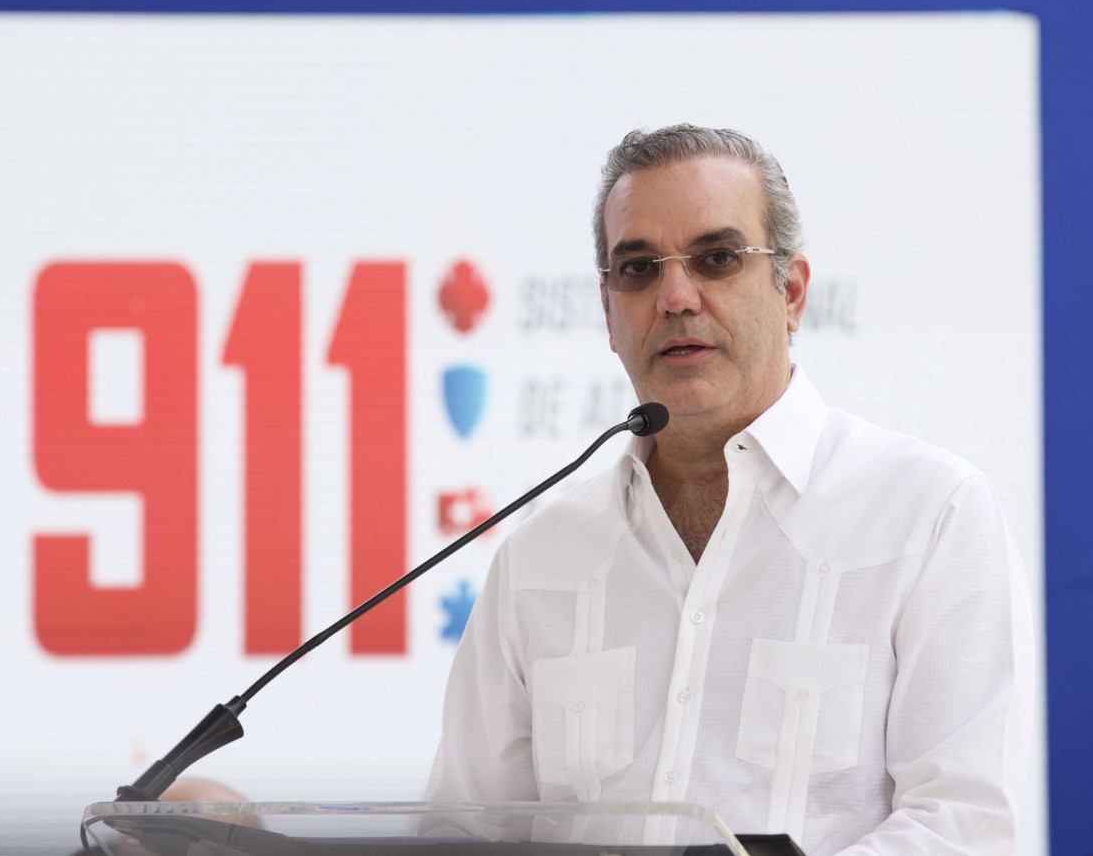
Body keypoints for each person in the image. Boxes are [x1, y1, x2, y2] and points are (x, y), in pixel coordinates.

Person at [425, 124, 1035, 856]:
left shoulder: (931, 514)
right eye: (638, 268)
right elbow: (460, 831)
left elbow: (963, 826)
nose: (675, 296)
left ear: (791, 292)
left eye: (717, 258)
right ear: (609, 315)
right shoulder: (540, 555)